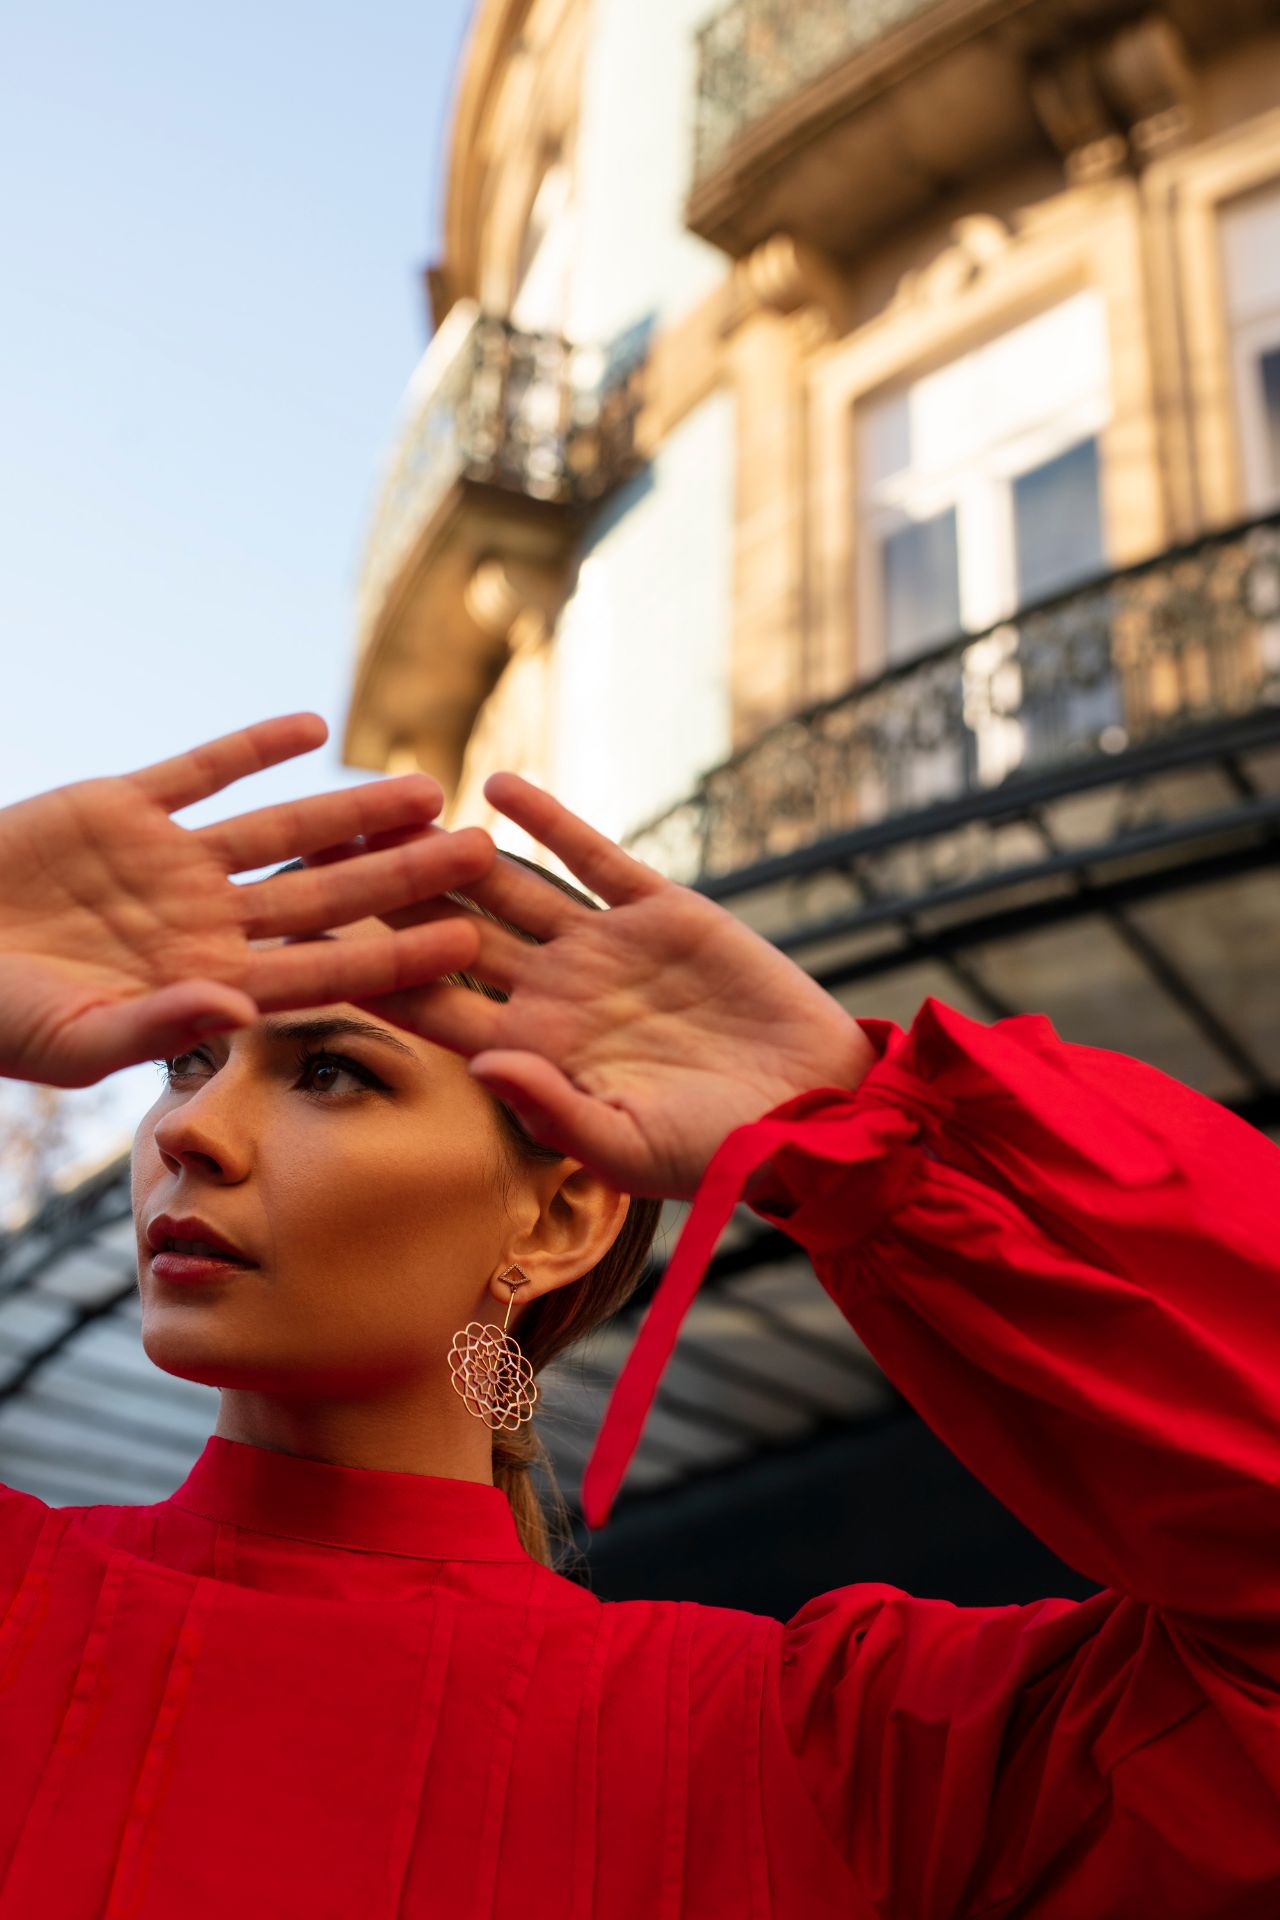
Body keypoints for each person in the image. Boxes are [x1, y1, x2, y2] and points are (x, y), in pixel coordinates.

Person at [0, 711, 1276, 1919]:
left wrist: (873, 1127)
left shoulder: (824, 1756)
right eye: (187, 1062)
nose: (187, 1132)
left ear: (554, 1222)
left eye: (330, 1072)